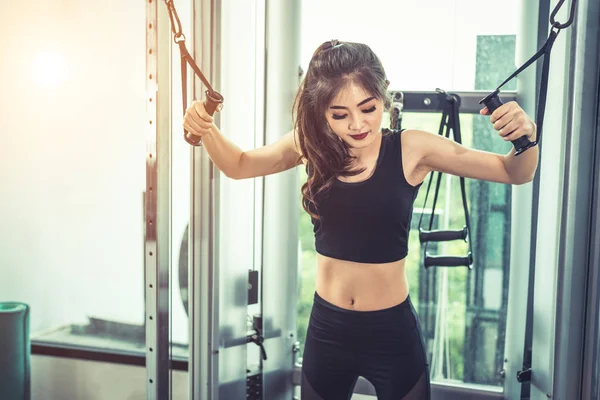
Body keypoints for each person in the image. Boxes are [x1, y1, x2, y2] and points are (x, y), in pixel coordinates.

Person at [183, 40, 538, 400]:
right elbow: (240, 165)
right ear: (322, 112)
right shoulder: (312, 145)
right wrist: (206, 129)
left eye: (368, 108)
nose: (357, 124)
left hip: (391, 332)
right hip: (328, 330)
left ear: (383, 99)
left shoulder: (412, 148)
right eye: (339, 114)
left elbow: (514, 172)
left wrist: (526, 138)